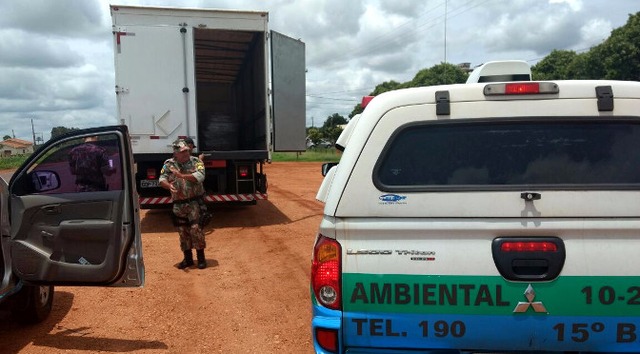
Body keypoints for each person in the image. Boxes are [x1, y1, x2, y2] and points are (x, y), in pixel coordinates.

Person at [159, 139, 208, 269]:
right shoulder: (169, 164)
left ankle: (201, 258)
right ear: (175, 153)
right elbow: (161, 179)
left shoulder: (196, 162)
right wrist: (169, 185)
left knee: (196, 229)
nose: (186, 153)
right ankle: (188, 259)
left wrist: (181, 175)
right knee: (183, 231)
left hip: (194, 202)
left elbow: (200, 177)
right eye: (182, 151)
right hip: (178, 204)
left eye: (187, 150)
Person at [182, 137, 213, 228]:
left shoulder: (176, 160)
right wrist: (200, 160)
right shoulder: (191, 160)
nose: (191, 149)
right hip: (192, 193)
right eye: (190, 147)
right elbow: (198, 174)